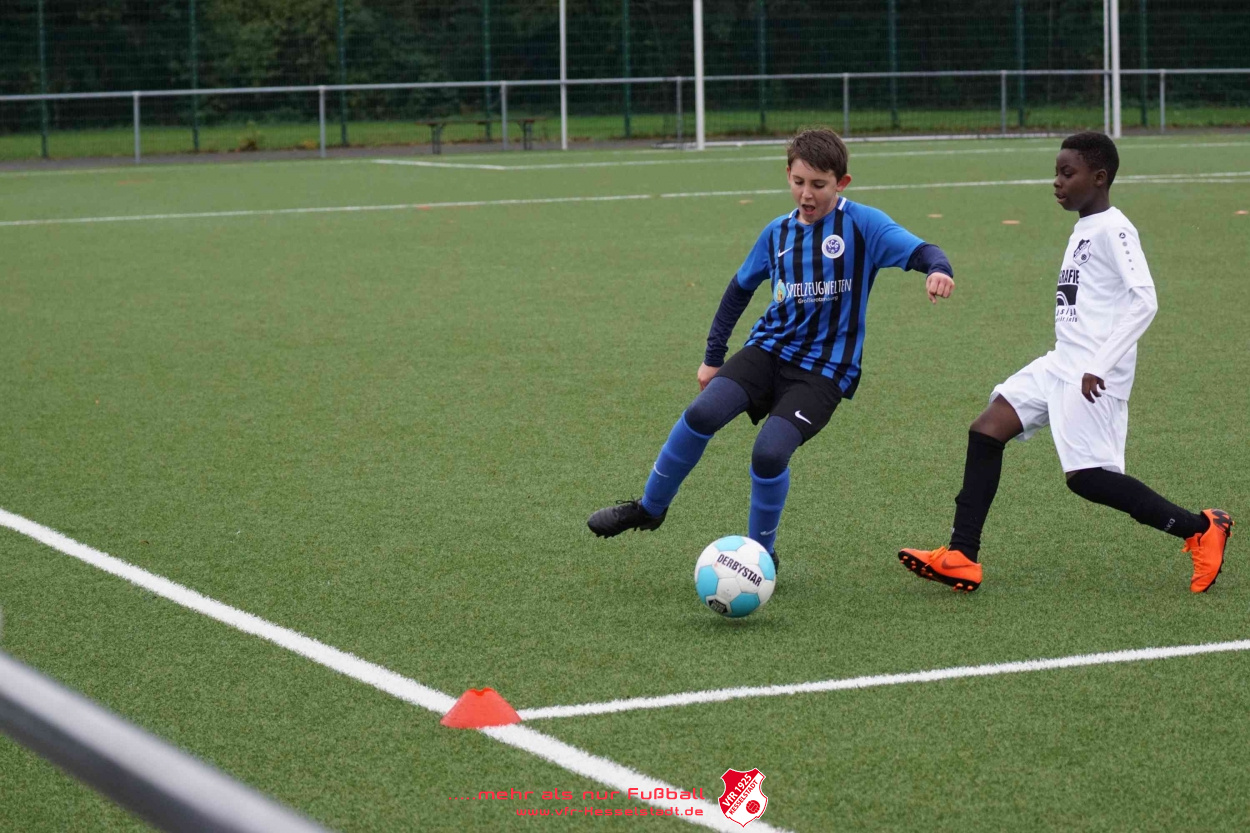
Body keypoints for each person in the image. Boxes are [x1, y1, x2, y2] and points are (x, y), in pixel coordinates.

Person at [587, 127, 956, 571]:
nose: (806, 194)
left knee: (769, 453)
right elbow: (738, 290)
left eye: (819, 184)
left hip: (824, 370)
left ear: (841, 183)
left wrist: (938, 270)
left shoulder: (863, 225)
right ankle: (649, 508)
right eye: (798, 182)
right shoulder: (776, 233)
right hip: (767, 350)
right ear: (788, 176)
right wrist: (713, 357)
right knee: (701, 414)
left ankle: (760, 553)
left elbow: (922, 250)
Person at [899, 131, 1232, 594]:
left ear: (1099, 178)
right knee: (986, 431)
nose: (1056, 181)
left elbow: (1145, 300)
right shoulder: (1083, 227)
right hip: (1061, 363)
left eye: (1067, 173)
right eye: (1056, 172)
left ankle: (1201, 528)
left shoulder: (1115, 229)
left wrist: (1101, 363)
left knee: (1088, 479)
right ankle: (961, 555)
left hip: (1092, 374)